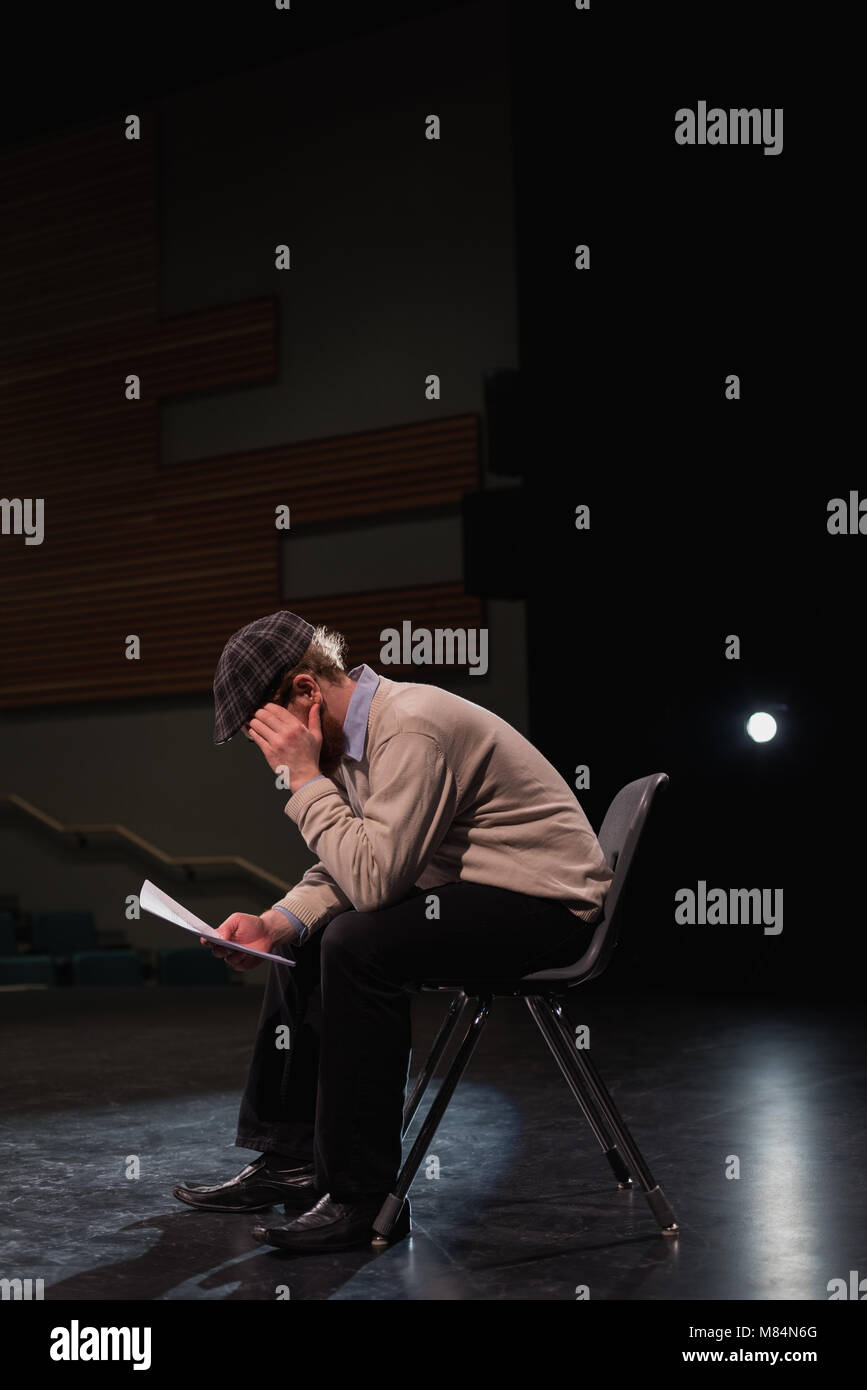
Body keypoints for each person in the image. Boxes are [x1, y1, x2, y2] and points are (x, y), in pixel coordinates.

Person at [173, 610, 614, 1252]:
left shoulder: (409, 728)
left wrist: (302, 779)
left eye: (267, 731)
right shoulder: (357, 738)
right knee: (311, 937)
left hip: (547, 906)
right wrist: (273, 923)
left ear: (305, 691)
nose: (267, 753)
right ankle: (292, 1161)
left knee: (355, 943)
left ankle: (362, 1195)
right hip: (480, 893)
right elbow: (354, 860)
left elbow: (375, 880)